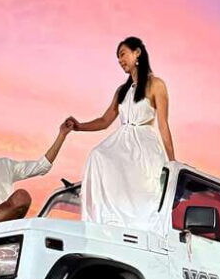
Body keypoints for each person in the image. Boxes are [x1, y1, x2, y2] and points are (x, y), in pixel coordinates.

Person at [66, 36, 175, 230]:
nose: (120, 61)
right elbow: (105, 120)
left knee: (142, 193)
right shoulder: (122, 91)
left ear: (137, 53)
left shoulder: (156, 84)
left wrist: (173, 163)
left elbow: (163, 125)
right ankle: (102, 226)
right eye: (118, 58)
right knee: (97, 156)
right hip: (121, 143)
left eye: (123, 54)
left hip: (143, 144)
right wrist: (79, 126)